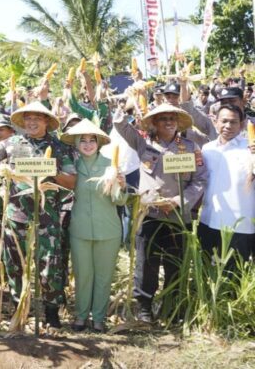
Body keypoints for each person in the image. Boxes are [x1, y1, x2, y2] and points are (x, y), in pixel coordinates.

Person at [0, 101, 77, 328]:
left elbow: (72, 182)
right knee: (14, 262)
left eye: (37, 118)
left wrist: (52, 170)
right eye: (28, 118)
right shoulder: (12, 143)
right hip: (17, 213)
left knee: (50, 263)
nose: (31, 122)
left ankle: (51, 312)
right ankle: (18, 307)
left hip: (47, 214)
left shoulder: (59, 147)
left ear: (46, 122)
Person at [113, 103, 208, 322]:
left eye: (172, 118)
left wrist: (177, 201)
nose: (168, 122)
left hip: (178, 216)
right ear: (154, 123)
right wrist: (126, 104)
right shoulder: (143, 143)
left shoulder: (190, 147)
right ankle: (145, 306)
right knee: (147, 263)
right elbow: (120, 125)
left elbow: (200, 180)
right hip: (150, 214)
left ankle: (171, 307)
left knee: (175, 263)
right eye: (163, 118)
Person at [61, 120, 127, 332]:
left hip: (108, 229)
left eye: (92, 140)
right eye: (83, 141)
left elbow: (119, 200)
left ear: (98, 143)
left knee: (103, 276)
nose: (88, 144)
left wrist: (122, 185)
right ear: (77, 144)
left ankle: (99, 318)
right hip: (80, 228)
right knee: (83, 274)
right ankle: (80, 316)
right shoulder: (71, 166)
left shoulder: (111, 165)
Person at [199, 105, 255, 264]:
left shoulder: (249, 149)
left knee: (233, 277)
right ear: (215, 122)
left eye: (233, 122)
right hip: (209, 220)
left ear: (242, 124)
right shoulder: (207, 149)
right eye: (224, 121)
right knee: (206, 272)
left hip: (240, 225)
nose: (228, 126)